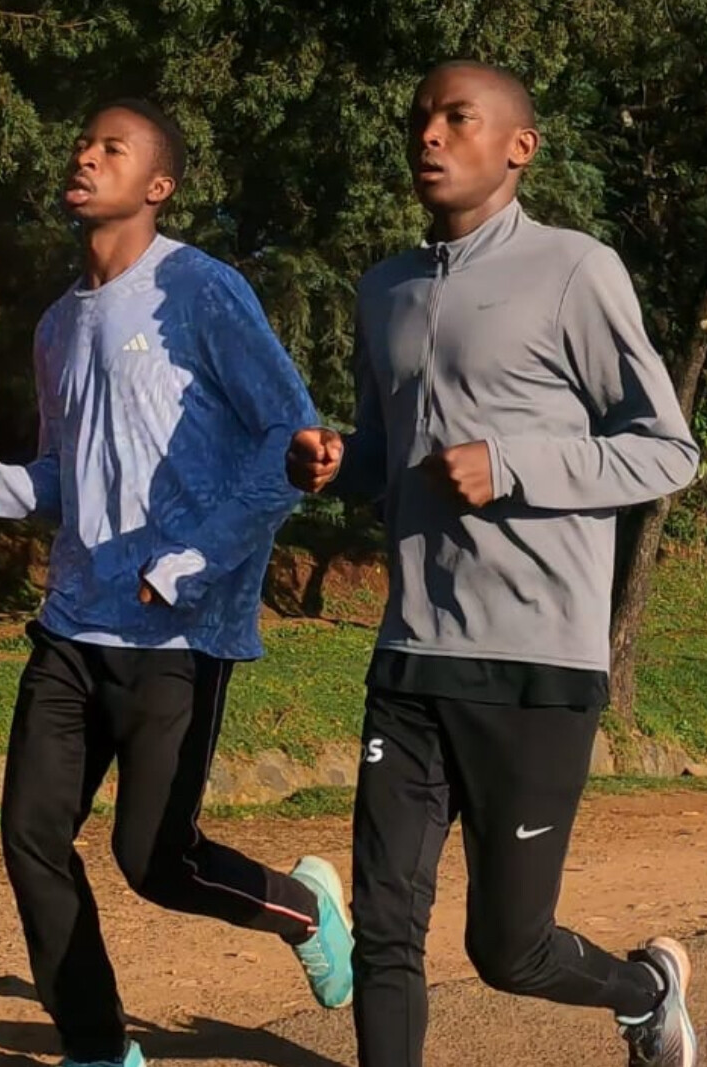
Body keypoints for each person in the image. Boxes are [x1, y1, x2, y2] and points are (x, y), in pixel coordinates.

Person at [287, 61, 699, 1067]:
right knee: (387, 925)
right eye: (419, 118)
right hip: (413, 652)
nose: (429, 135)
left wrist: (512, 465)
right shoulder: (384, 288)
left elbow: (667, 451)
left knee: (509, 947)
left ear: (520, 147)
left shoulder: (575, 269)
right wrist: (340, 462)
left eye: (457, 119)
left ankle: (647, 992)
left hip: (537, 663)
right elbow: (387, 460)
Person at [0, 98, 354, 1067]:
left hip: (179, 631)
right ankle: (96, 1046)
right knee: (31, 836)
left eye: (111, 148)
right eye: (82, 141)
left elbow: (287, 442)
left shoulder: (201, 291)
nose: (84, 155)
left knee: (155, 861)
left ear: (158, 185)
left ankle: (302, 907)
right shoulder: (57, 324)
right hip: (73, 622)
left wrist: (189, 564)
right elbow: (63, 474)